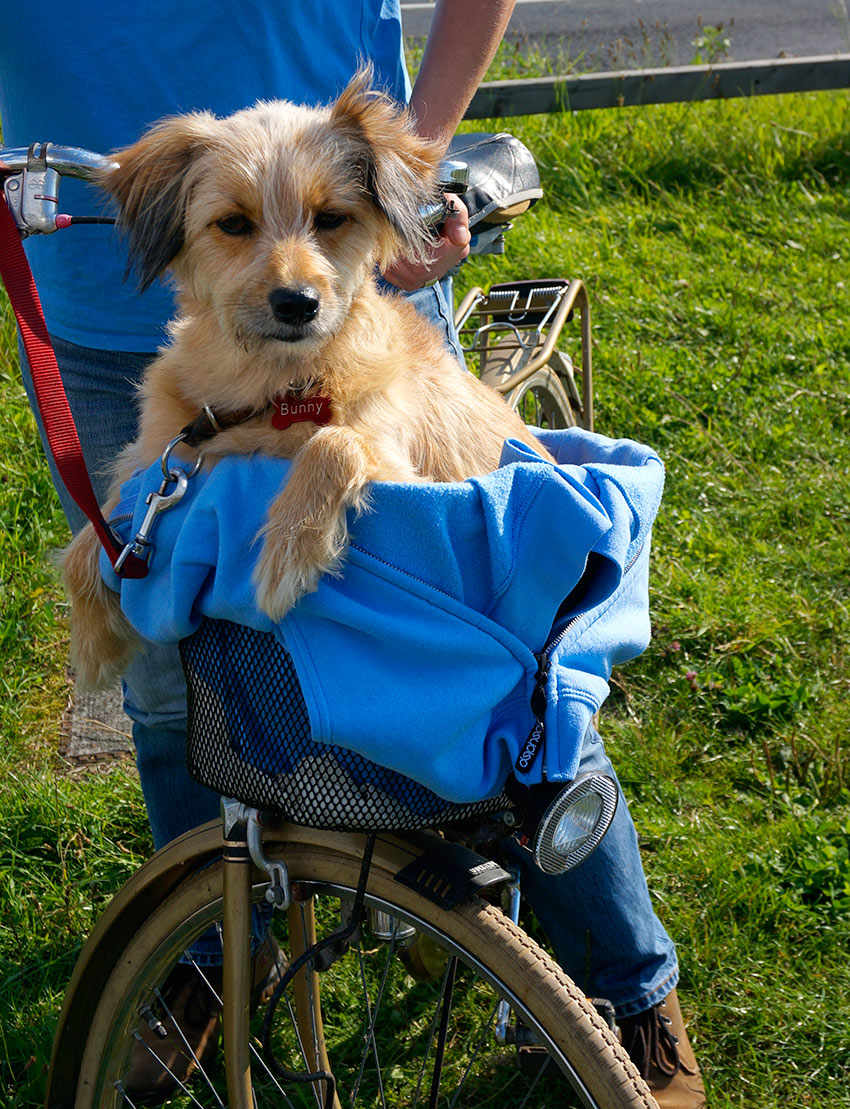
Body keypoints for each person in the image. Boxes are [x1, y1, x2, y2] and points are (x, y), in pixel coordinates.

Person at [0, 3, 705, 1105]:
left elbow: (365, 425)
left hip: (401, 355)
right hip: (72, 258)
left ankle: (633, 988)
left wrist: (330, 456)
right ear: (185, 240)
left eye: (328, 225)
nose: (291, 270)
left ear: (362, 224)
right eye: (233, 228)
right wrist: (102, 573)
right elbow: (142, 508)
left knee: (516, 700)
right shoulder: (180, 375)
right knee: (171, 679)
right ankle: (214, 953)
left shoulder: (362, 342)